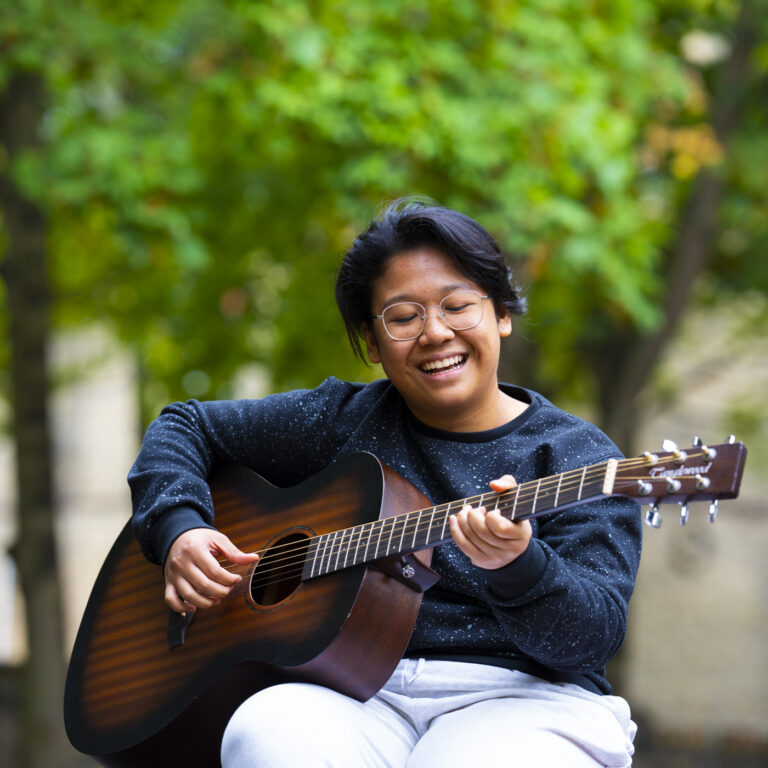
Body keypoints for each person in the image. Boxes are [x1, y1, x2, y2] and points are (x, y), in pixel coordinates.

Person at [128, 199, 641, 767]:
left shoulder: (577, 456)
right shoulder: (342, 420)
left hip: (524, 698)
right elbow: (184, 424)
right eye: (403, 316)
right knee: (263, 730)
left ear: (502, 314)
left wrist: (521, 566)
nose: (436, 333)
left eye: (458, 306)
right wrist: (179, 528)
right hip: (358, 691)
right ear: (373, 344)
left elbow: (592, 637)